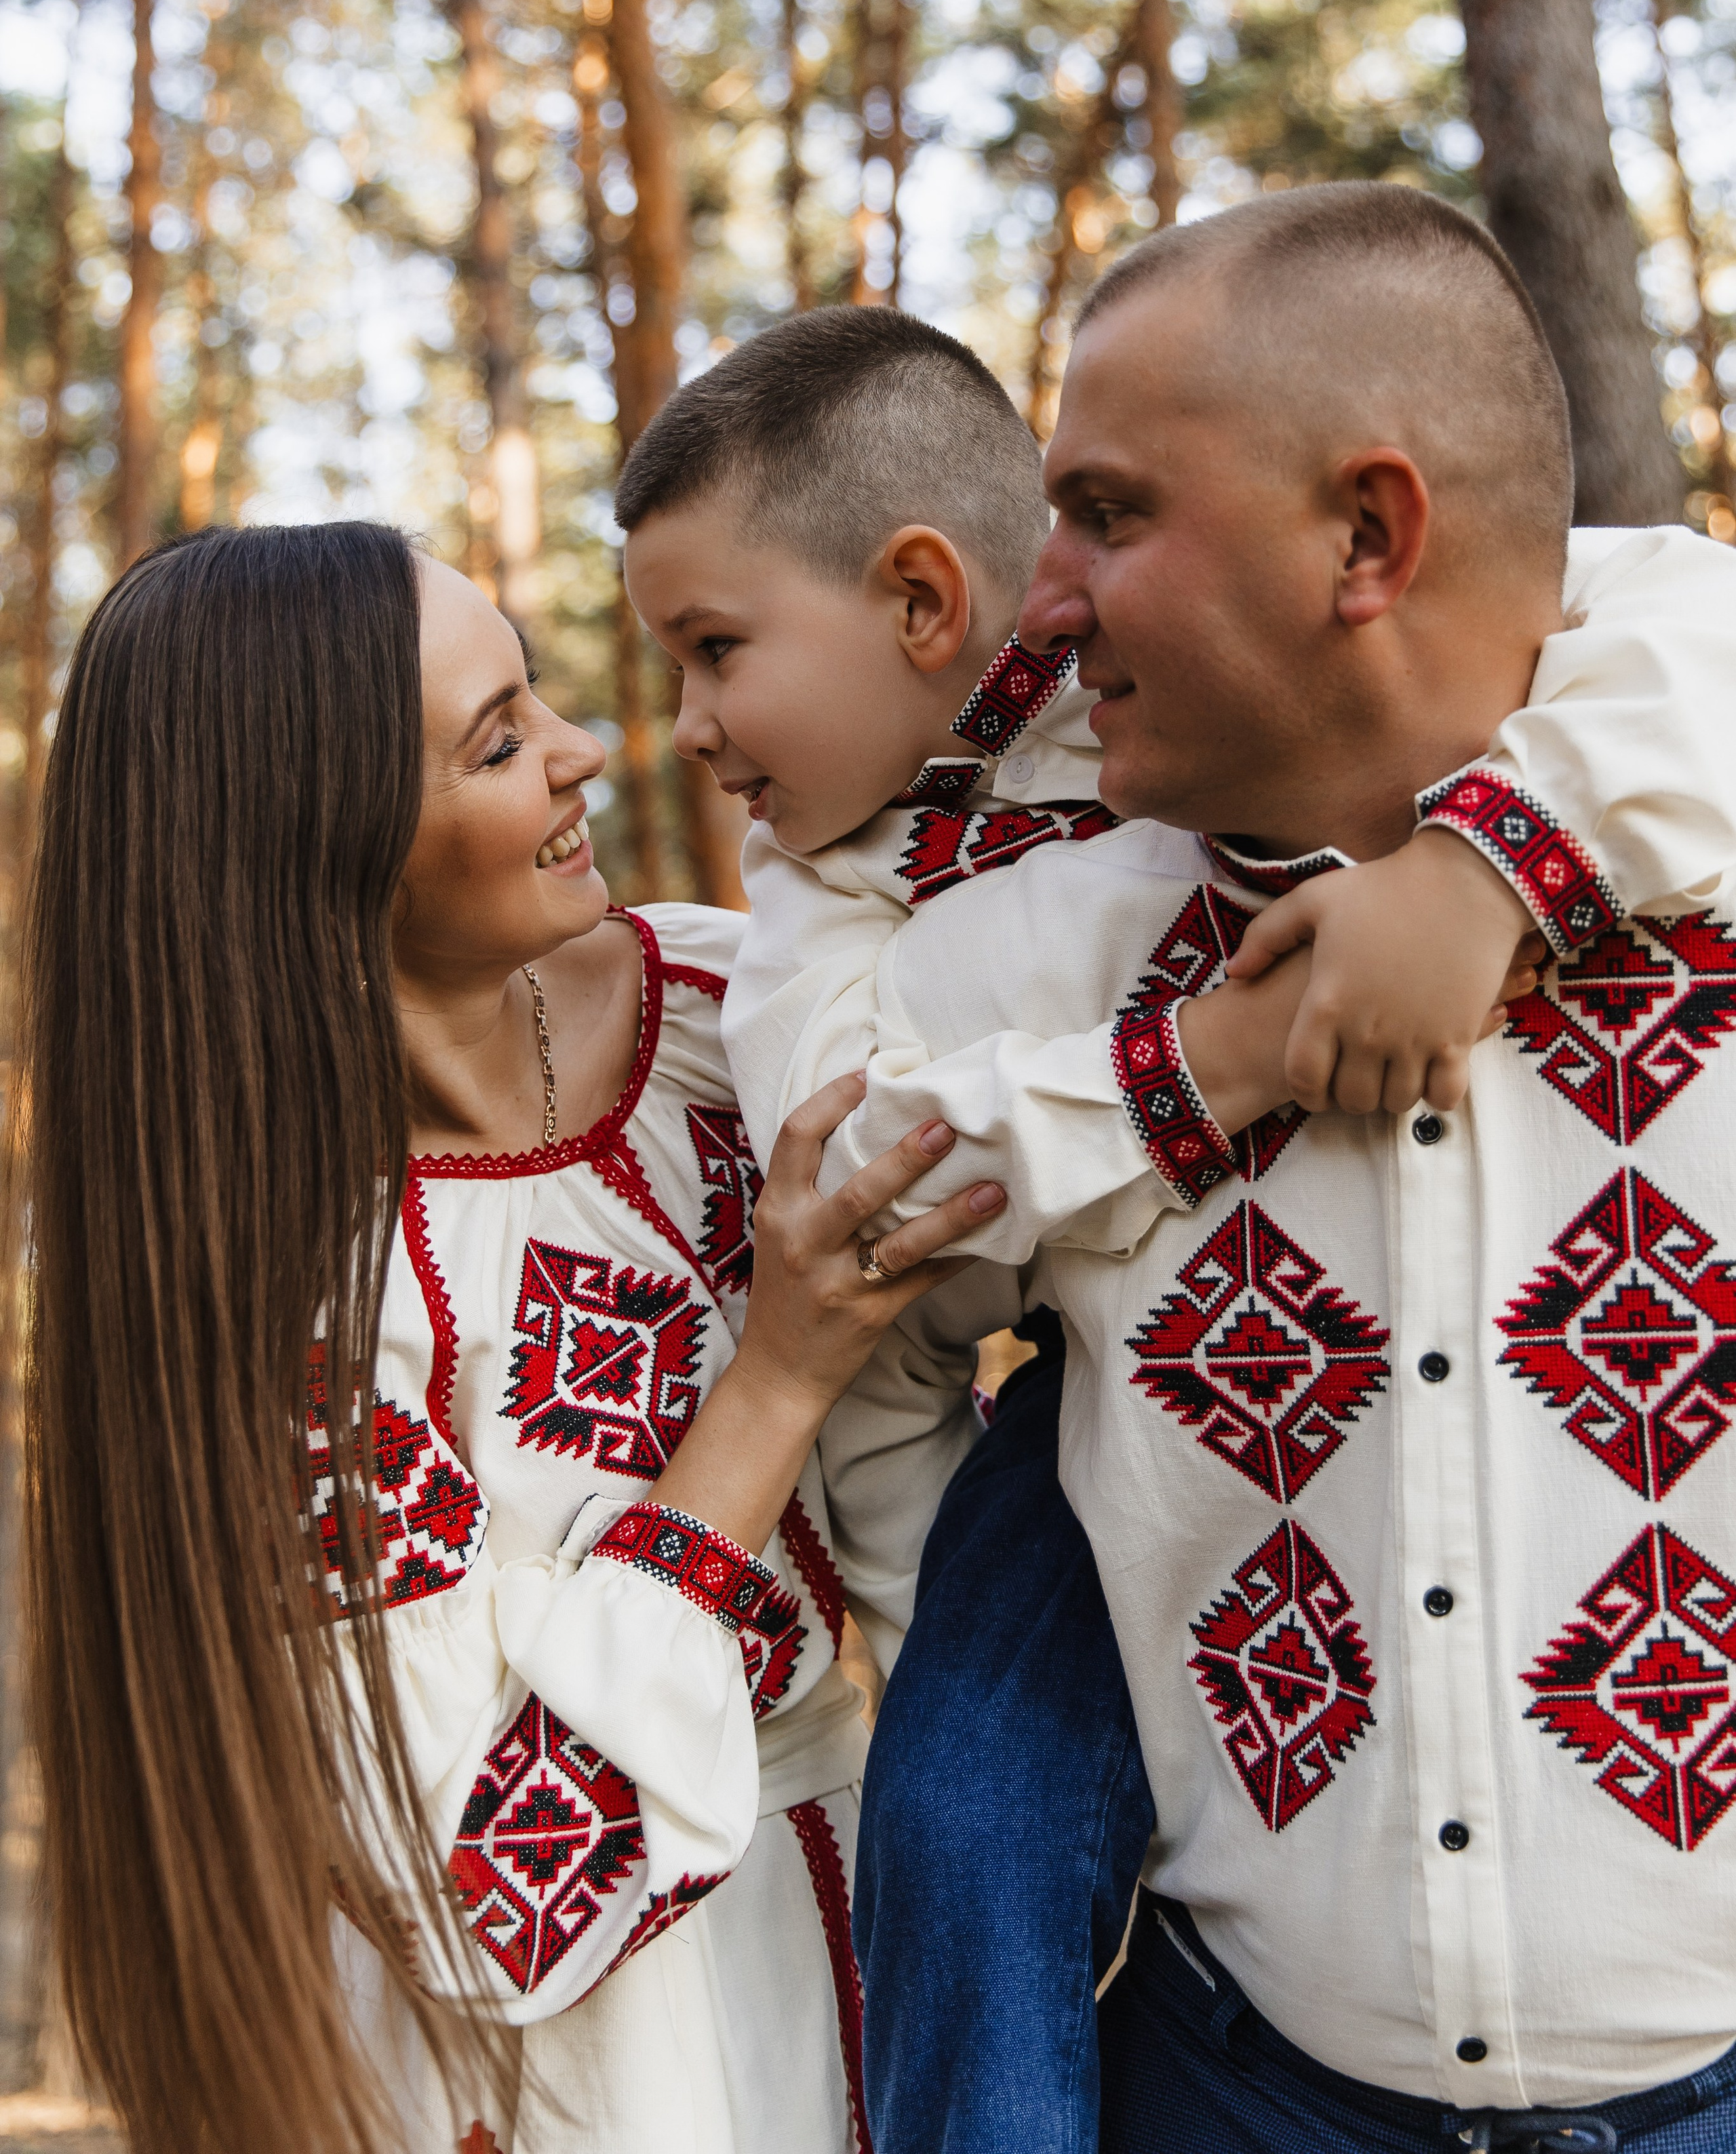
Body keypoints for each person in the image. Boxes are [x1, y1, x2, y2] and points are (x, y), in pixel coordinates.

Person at [613, 277, 1736, 2154]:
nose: (683, 728)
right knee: (968, 1812)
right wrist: (1233, 1046)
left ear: (915, 600)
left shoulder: (1184, 690)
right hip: (1022, 1399)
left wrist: (1485, 870)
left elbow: (1674, 603)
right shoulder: (860, 890)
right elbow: (848, 1162)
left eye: (718, 650)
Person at [19, 522, 1000, 2154]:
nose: (584, 750)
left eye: (533, 695)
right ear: (317, 849)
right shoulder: (287, 1318)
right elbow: (502, 1888)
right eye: (495, 743)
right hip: (589, 2072)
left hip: (881, 1937)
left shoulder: (716, 1012)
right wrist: (768, 1386)